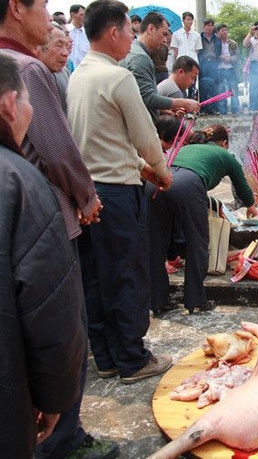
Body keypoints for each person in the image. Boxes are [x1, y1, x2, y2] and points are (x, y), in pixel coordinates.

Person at [0, 1, 114, 454]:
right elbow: (58, 149)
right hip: (41, 220)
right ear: (16, 7)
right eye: (44, 5)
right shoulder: (24, 68)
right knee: (61, 326)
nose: (49, 17)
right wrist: (86, 197)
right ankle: (63, 439)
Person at [67, 0, 174, 385]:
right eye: (130, 29)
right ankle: (132, 359)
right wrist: (161, 170)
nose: (133, 37)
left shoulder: (79, 75)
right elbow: (145, 135)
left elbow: (103, 137)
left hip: (88, 193)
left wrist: (142, 166)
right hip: (117, 194)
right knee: (126, 275)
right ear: (114, 33)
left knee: (96, 277)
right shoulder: (118, 77)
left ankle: (107, 358)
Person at [0, 53, 88, 459]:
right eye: (28, 102)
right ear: (9, 105)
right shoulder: (20, 182)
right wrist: (55, 398)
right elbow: (51, 310)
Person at [151, 122, 257, 315]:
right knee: (197, 242)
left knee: (156, 243)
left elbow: (183, 178)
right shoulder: (225, 155)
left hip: (156, 182)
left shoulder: (186, 148)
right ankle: (196, 301)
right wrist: (251, 206)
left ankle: (158, 301)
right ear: (224, 143)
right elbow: (241, 185)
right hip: (187, 186)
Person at [120, 12, 200, 120]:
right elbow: (147, 98)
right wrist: (184, 103)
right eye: (164, 34)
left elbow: (138, 100)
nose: (165, 40)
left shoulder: (135, 51)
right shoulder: (140, 57)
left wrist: (163, 111)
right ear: (151, 29)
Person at [170, 11, 202, 98]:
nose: (190, 22)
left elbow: (197, 50)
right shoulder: (176, 34)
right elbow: (175, 51)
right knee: (180, 86)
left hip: (193, 63)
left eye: (191, 20)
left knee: (192, 86)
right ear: (183, 20)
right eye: (188, 19)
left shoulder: (196, 35)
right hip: (181, 63)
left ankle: (191, 102)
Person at [198, 18, 220, 114]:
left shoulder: (217, 39)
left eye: (211, 25)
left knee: (214, 86)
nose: (210, 27)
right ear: (204, 27)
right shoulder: (199, 38)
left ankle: (214, 108)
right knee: (203, 86)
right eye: (208, 25)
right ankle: (203, 109)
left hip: (214, 64)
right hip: (202, 64)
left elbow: (219, 51)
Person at [217, 23, 240, 114]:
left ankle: (235, 111)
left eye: (226, 30)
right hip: (220, 69)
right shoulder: (216, 43)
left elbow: (237, 56)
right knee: (221, 90)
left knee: (233, 89)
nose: (224, 32)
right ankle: (223, 111)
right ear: (218, 32)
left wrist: (230, 59)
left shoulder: (233, 43)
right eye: (222, 30)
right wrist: (221, 58)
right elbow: (214, 55)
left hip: (231, 69)